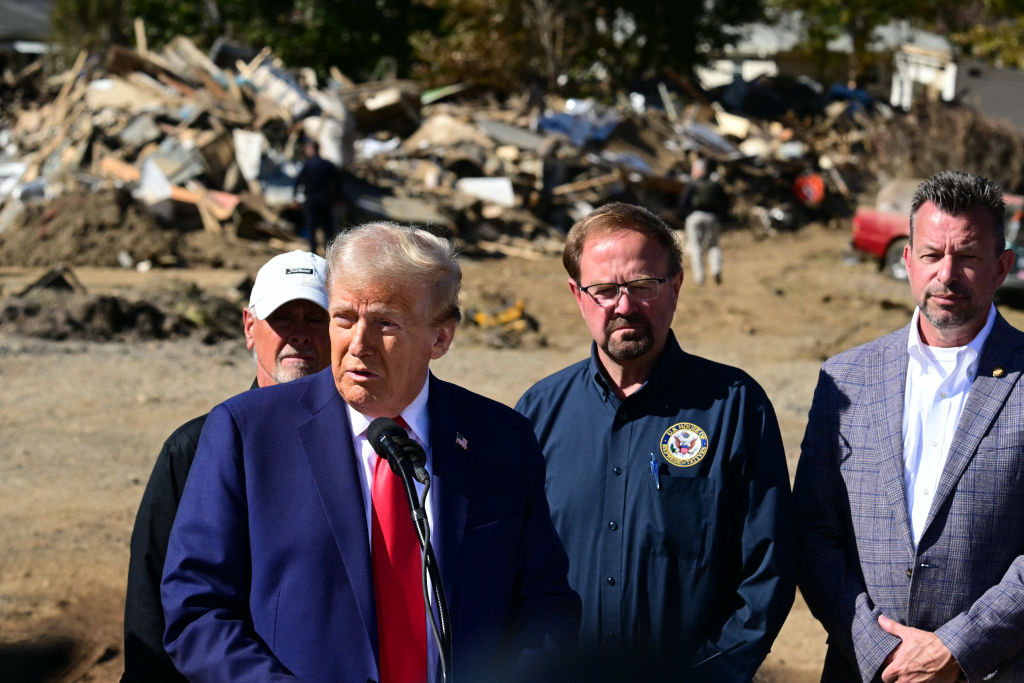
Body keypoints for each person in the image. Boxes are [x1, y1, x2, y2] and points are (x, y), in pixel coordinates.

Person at [160, 222, 580, 682]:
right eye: (342, 318)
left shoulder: (501, 439)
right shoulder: (246, 433)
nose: (358, 344)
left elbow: (545, 604)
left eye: (385, 323)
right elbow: (197, 608)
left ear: (440, 338)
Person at [515, 202, 794, 680]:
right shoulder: (537, 414)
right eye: (604, 290)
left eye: (643, 286)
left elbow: (769, 568)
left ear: (676, 286)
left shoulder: (734, 406)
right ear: (577, 295)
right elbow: (510, 571)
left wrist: (715, 672)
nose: (624, 306)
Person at [795, 170, 1024, 682]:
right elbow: (812, 529)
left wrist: (959, 649)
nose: (947, 274)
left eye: (967, 256)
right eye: (931, 255)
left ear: (1001, 267)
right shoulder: (845, 378)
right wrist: (879, 646)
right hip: (866, 670)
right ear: (908, 261)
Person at [121, 250, 331, 682]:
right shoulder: (195, 447)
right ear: (250, 327)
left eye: (315, 319)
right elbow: (154, 596)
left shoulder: (368, 445)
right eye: (282, 318)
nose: (300, 335)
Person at [677, 157, 728, 285]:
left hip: (694, 217)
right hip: (712, 218)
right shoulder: (716, 185)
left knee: (696, 248)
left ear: (699, 171)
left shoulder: (692, 185)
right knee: (714, 245)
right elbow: (725, 203)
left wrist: (685, 215)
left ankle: (700, 278)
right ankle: (716, 269)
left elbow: (682, 204)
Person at [293, 139, 339, 252]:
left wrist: (295, 198)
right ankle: (329, 253)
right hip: (326, 201)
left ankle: (313, 252)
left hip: (311, 201)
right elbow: (337, 183)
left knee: (311, 228)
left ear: (311, 149)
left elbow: (297, 182)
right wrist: (337, 197)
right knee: (328, 229)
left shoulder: (307, 165)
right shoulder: (328, 164)